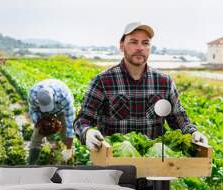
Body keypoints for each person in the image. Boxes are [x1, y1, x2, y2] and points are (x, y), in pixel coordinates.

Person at [74, 22, 208, 151]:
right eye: (133, 42)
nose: (140, 47)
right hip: (114, 161)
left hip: (155, 163)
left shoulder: (164, 82)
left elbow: (178, 119)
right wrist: (87, 132)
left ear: (149, 47)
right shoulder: (103, 81)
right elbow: (83, 120)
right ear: (122, 46)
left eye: (145, 43)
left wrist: (193, 133)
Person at [28, 79, 75, 164]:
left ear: (53, 97)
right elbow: (33, 111)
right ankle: (31, 163)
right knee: (36, 137)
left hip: (61, 110)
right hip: (41, 111)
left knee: (65, 137)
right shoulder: (33, 94)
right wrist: (41, 126)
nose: (48, 111)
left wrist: (69, 148)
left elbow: (70, 125)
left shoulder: (64, 97)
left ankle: (69, 161)